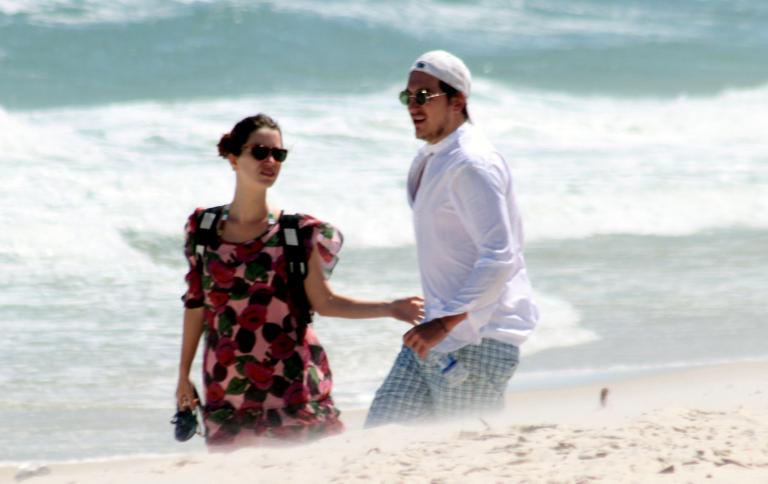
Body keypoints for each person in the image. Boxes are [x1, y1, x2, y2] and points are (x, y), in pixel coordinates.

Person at [176, 113, 423, 448]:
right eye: (259, 152)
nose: (270, 161)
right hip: (226, 394)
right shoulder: (202, 229)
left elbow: (325, 303)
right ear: (233, 158)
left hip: (294, 394)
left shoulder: (298, 233)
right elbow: (196, 305)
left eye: (278, 155)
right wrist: (182, 375)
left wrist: (391, 307)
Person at [365, 51, 538, 426]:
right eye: (407, 97)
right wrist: (439, 325)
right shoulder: (433, 157)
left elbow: (500, 256)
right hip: (434, 339)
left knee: (468, 457)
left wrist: (444, 323)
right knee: (379, 440)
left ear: (457, 100)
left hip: (478, 341)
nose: (413, 105)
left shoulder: (472, 163)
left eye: (424, 96)